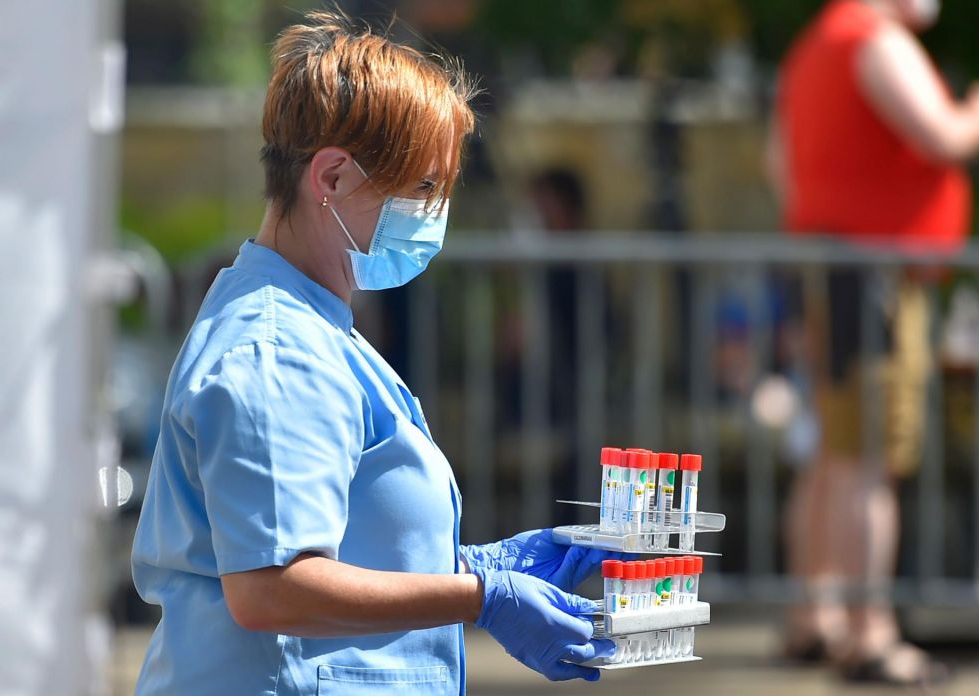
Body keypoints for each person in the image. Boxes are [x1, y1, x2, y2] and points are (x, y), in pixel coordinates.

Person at [130, 11, 617, 695]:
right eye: (422, 188)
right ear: (330, 177)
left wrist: (472, 565)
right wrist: (479, 595)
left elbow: (341, 534)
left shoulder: (312, 324)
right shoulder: (278, 349)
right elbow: (271, 588)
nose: (433, 214)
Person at [767, 0, 979, 686]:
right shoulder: (871, 39)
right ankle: (868, 634)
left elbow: (778, 164)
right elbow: (943, 134)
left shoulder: (817, 45)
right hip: (871, 276)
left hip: (832, 266)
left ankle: (813, 619)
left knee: (832, 455)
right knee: (867, 460)